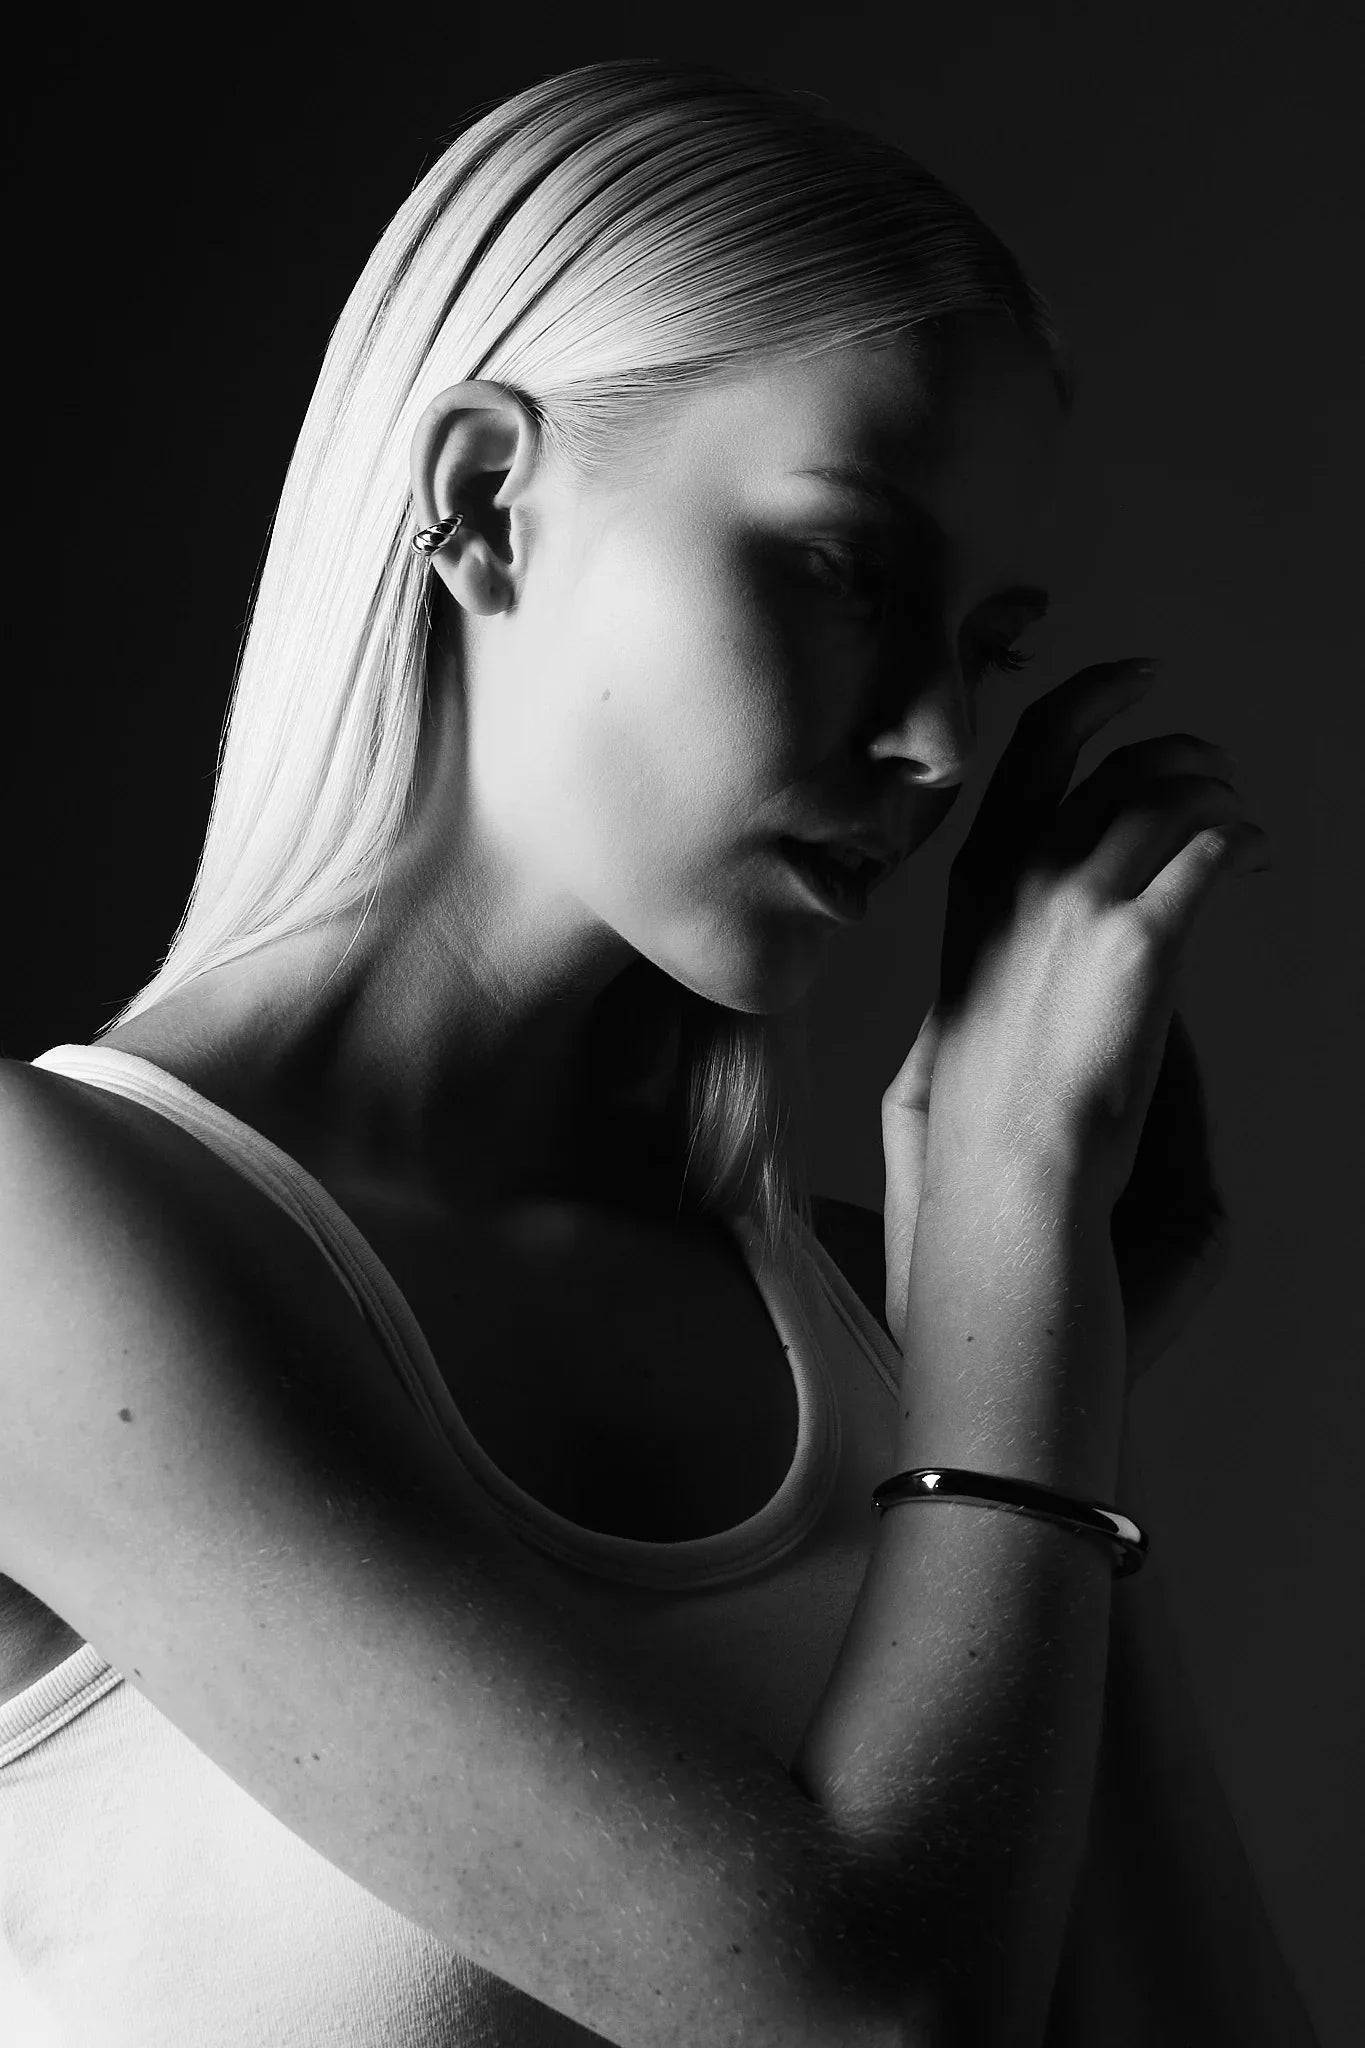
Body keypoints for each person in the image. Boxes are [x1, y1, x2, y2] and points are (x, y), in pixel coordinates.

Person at [0, 56, 1320, 2048]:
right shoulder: (39, 1230)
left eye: (989, 646)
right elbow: (861, 2021)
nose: (936, 744)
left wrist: (1050, 1340)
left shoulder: (918, 1326)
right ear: (480, 504)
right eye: (842, 569)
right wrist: (1011, 1238)